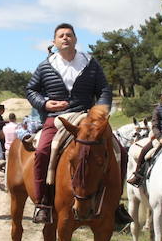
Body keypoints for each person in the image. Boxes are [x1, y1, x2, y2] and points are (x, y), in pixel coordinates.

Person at [26, 23, 112, 224]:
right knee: (43, 151)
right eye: (61, 35)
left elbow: (104, 90)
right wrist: (46, 103)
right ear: (54, 42)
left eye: (69, 35)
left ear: (75, 39)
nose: (65, 38)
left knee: (118, 150)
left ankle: (114, 204)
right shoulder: (45, 65)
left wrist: (98, 114)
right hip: (57, 119)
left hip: (87, 118)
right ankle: (43, 203)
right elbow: (31, 90)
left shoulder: (90, 63)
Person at [126, 85, 162, 186]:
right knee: (144, 151)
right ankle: (138, 175)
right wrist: (160, 137)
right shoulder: (158, 110)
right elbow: (155, 126)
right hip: (161, 138)